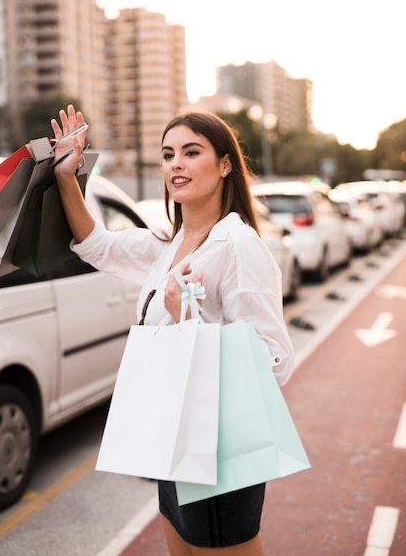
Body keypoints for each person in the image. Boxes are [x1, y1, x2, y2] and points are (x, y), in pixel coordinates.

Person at [51, 104, 295, 556]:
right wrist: (67, 177)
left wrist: (190, 320)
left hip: (217, 448)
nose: (175, 164)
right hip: (174, 437)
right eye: (167, 155)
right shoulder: (170, 242)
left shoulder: (239, 247)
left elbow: (275, 360)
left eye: (191, 152)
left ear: (225, 165)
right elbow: (98, 246)